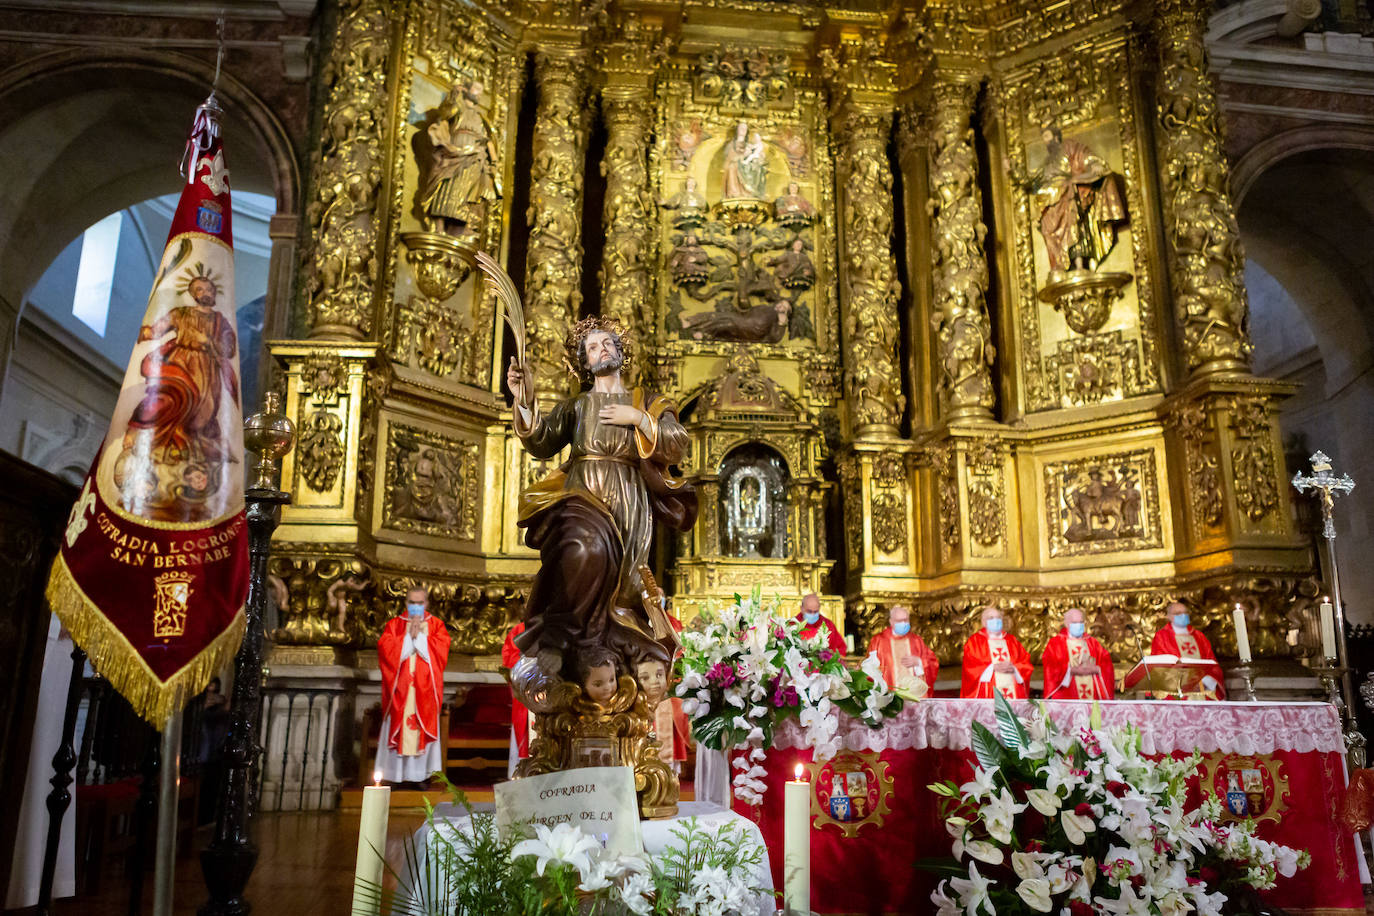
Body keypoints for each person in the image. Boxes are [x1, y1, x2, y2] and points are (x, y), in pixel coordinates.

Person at [506, 316, 697, 680]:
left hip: (628, 497)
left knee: (619, 586)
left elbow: (677, 443)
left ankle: (600, 655)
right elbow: (543, 441)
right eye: (592, 347)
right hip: (582, 493)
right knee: (582, 551)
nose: (601, 350)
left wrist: (640, 419)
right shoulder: (576, 406)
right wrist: (524, 400)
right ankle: (559, 639)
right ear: (585, 361)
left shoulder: (648, 402)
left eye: (607, 343)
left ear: (620, 352)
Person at [376, 587, 451, 784]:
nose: (416, 607)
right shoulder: (394, 625)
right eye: (412, 603)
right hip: (399, 691)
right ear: (406, 603)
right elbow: (385, 649)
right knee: (399, 727)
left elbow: (442, 651)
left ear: (426, 604)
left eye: (420, 603)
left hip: (425, 690)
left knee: (420, 729)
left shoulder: (436, 625)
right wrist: (408, 637)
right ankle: (394, 776)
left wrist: (421, 638)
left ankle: (420, 777)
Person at [420, 80, 500, 237]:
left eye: (481, 91)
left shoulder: (481, 119)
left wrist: (495, 162)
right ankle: (439, 226)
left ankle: (463, 225)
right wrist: (453, 94)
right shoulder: (459, 109)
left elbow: (489, 140)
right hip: (455, 150)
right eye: (476, 89)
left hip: (476, 154)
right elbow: (445, 112)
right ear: (467, 90)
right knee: (446, 183)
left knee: (468, 190)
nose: (478, 94)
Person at [1151, 601, 1225, 699]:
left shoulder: (1199, 636)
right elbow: (1160, 666)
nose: (1183, 616)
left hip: (1203, 689)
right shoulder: (1162, 637)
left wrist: (1205, 682)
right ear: (1169, 616)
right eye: (1178, 613)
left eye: (1185, 613)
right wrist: (1186, 684)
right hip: (1178, 693)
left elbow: (1212, 663)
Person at [1041, 608, 1115, 700]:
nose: (1079, 625)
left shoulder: (1092, 643)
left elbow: (1107, 663)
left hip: (1093, 699)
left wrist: (1096, 669)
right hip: (1067, 696)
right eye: (1075, 622)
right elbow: (1050, 668)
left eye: (1081, 622)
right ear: (1067, 623)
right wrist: (1071, 671)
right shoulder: (1056, 644)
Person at [960, 606, 1032, 699]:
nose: (996, 620)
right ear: (984, 622)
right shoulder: (974, 642)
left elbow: (1025, 663)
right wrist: (992, 668)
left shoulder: (1012, 641)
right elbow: (970, 668)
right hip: (988, 694)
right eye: (991, 618)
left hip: (1013, 690)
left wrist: (1014, 668)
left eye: (998, 618)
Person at [867, 604, 938, 698]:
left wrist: (919, 662)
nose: (904, 623)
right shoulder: (878, 641)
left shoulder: (916, 640)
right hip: (889, 697)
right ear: (891, 622)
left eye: (906, 620)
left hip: (915, 697)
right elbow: (869, 668)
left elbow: (932, 662)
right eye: (900, 621)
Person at [501, 621, 531, 775]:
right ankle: (519, 773)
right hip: (525, 692)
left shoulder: (556, 627)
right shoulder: (519, 630)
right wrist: (526, 657)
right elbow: (509, 658)